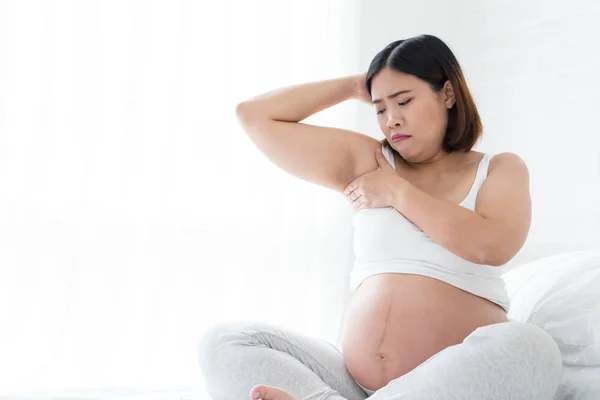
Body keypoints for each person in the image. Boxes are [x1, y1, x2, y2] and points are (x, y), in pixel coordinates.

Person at [197, 34, 563, 400]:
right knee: (226, 340)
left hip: (449, 387)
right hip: (354, 386)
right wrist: (353, 85)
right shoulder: (370, 161)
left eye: (404, 101)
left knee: (530, 346)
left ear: (448, 94)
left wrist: (396, 192)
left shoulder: (499, 169)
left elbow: (491, 246)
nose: (392, 120)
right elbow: (255, 116)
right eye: (380, 108)